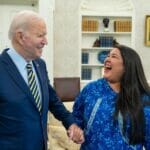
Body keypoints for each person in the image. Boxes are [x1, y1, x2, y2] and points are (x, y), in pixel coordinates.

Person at [0, 10, 84, 150]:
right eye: (40, 35)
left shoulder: (40, 64)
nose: (46, 41)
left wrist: (70, 123)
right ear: (21, 37)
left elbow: (52, 100)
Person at [72, 44, 150, 150]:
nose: (107, 59)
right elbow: (76, 120)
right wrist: (75, 131)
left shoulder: (143, 99)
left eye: (114, 56)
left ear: (127, 66)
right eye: (108, 56)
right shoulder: (91, 90)